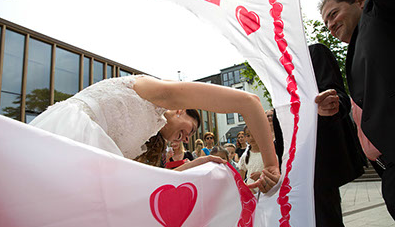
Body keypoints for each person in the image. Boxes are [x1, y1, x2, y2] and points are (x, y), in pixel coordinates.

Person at [30, 75, 279, 190]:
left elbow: (148, 181)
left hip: (89, 166)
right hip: (70, 138)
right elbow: (250, 102)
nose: (182, 139)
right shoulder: (155, 90)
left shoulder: (145, 137)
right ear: (180, 110)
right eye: (185, 131)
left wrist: (200, 162)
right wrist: (272, 165)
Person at [275, 43, 366, 227]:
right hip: (293, 163)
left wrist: (328, 106)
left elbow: (338, 95)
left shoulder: (314, 53)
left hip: (318, 162)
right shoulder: (278, 71)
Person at [320, 0, 395, 219]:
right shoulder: (357, 48)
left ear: (361, 1)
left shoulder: (379, 11)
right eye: (325, 23)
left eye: (333, 14)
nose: (330, 25)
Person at [237, 125, 265, 194]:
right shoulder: (245, 155)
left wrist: (261, 175)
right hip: (251, 193)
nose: (251, 138)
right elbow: (241, 178)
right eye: (248, 135)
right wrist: (247, 188)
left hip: (266, 191)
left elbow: (274, 172)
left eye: (254, 134)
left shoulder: (267, 153)